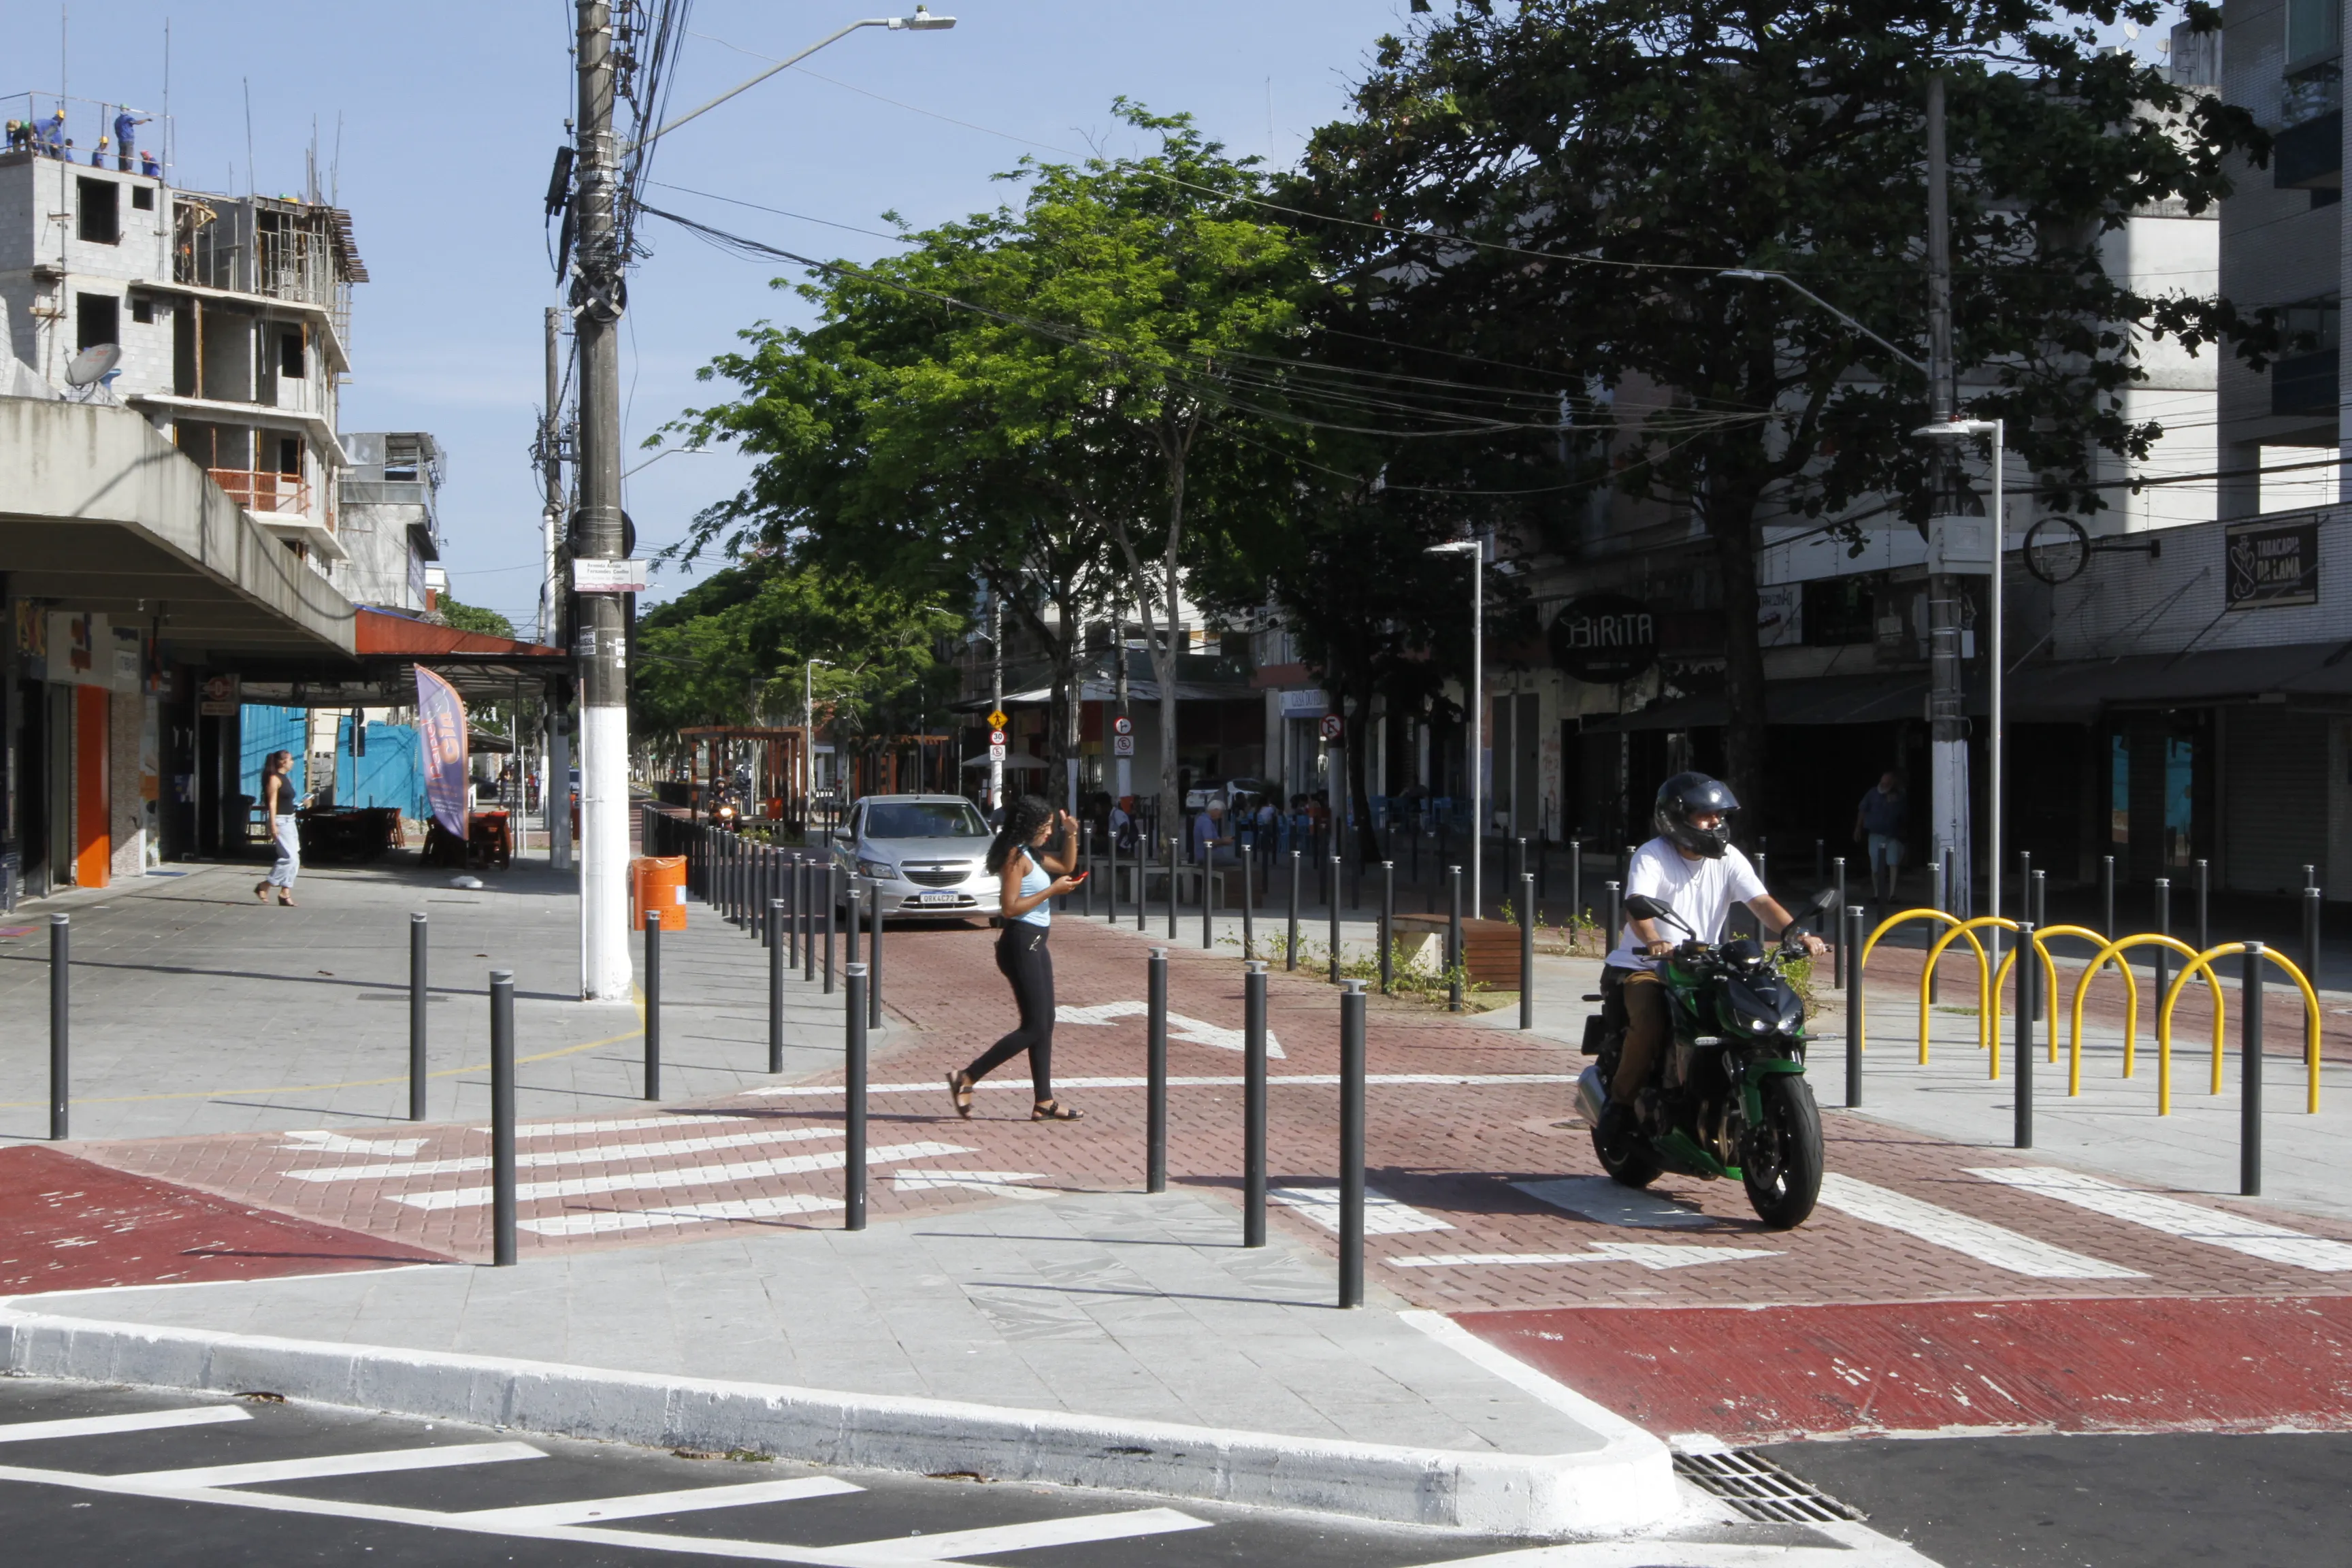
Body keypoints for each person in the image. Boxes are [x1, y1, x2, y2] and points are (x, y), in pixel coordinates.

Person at [1597, 772, 1829, 1152]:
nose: (1716, 823)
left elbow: (1761, 902)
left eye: (1719, 815)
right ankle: (1619, 1107)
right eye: (1706, 816)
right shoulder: (1652, 855)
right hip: (1642, 966)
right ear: (1678, 817)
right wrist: (1656, 942)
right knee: (1652, 1022)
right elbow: (1637, 907)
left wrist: (1797, 935)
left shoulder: (1729, 858)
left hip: (1705, 965)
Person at [946, 796, 1085, 1122]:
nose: (1050, 832)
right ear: (1029, 826)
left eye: (1052, 826)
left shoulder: (1031, 854)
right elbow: (1009, 909)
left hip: (1037, 942)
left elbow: (1065, 867)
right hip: (1020, 943)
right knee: (1034, 1025)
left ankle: (1044, 1101)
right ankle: (967, 1077)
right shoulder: (1014, 857)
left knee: (1046, 1023)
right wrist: (1052, 892)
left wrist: (1072, 834)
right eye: (1047, 826)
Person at [254, 750, 304, 906]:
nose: (292, 762)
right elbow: (272, 803)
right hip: (281, 821)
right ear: (282, 762)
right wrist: (273, 824)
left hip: (291, 820)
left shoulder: (286, 778)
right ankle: (265, 885)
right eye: (290, 760)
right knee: (289, 857)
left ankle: (285, 892)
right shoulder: (274, 779)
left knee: (295, 859)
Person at [1853, 770, 1907, 904]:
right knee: (1875, 866)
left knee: (1893, 863)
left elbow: (1904, 815)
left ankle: (1892, 894)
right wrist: (1858, 828)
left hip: (1893, 835)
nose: (1884, 786)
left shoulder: (1899, 795)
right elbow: (1863, 810)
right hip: (1875, 834)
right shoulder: (1873, 793)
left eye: (1887, 783)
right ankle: (1877, 893)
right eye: (1883, 782)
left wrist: (1895, 803)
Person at [1192, 798, 1237, 866]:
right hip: (1208, 857)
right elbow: (1209, 842)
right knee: (1239, 862)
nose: (1221, 817)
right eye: (1220, 813)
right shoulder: (1206, 822)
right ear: (1215, 810)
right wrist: (1224, 841)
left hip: (1208, 856)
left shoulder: (1202, 819)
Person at [113, 109, 150, 173]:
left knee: (122, 155)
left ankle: (121, 169)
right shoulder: (128, 118)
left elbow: (116, 131)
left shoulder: (117, 120)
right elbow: (138, 122)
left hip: (121, 140)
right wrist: (146, 120)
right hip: (128, 139)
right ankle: (128, 169)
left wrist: (120, 137)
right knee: (129, 154)